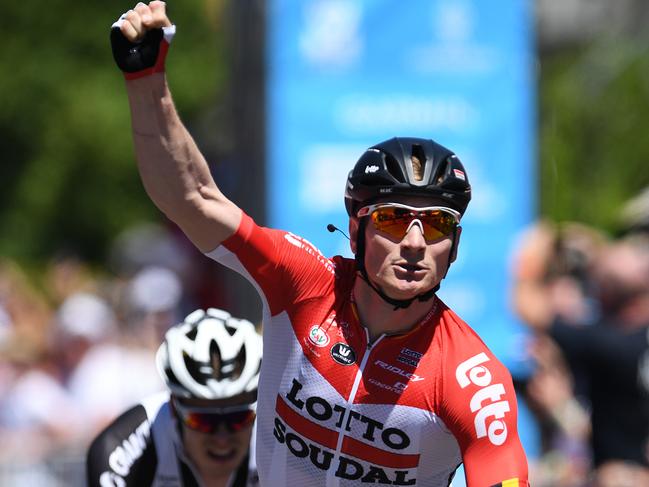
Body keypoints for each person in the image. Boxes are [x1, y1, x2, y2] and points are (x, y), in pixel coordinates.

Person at [109, 2, 529, 485]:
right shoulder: (302, 282)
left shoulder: (470, 377)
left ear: (453, 247)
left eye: (435, 225)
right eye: (392, 219)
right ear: (356, 231)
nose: (414, 242)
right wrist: (146, 80)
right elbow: (193, 199)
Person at [86, 308, 262, 487]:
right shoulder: (122, 447)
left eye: (240, 418)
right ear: (173, 408)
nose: (222, 438)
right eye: (203, 420)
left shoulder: (277, 437)